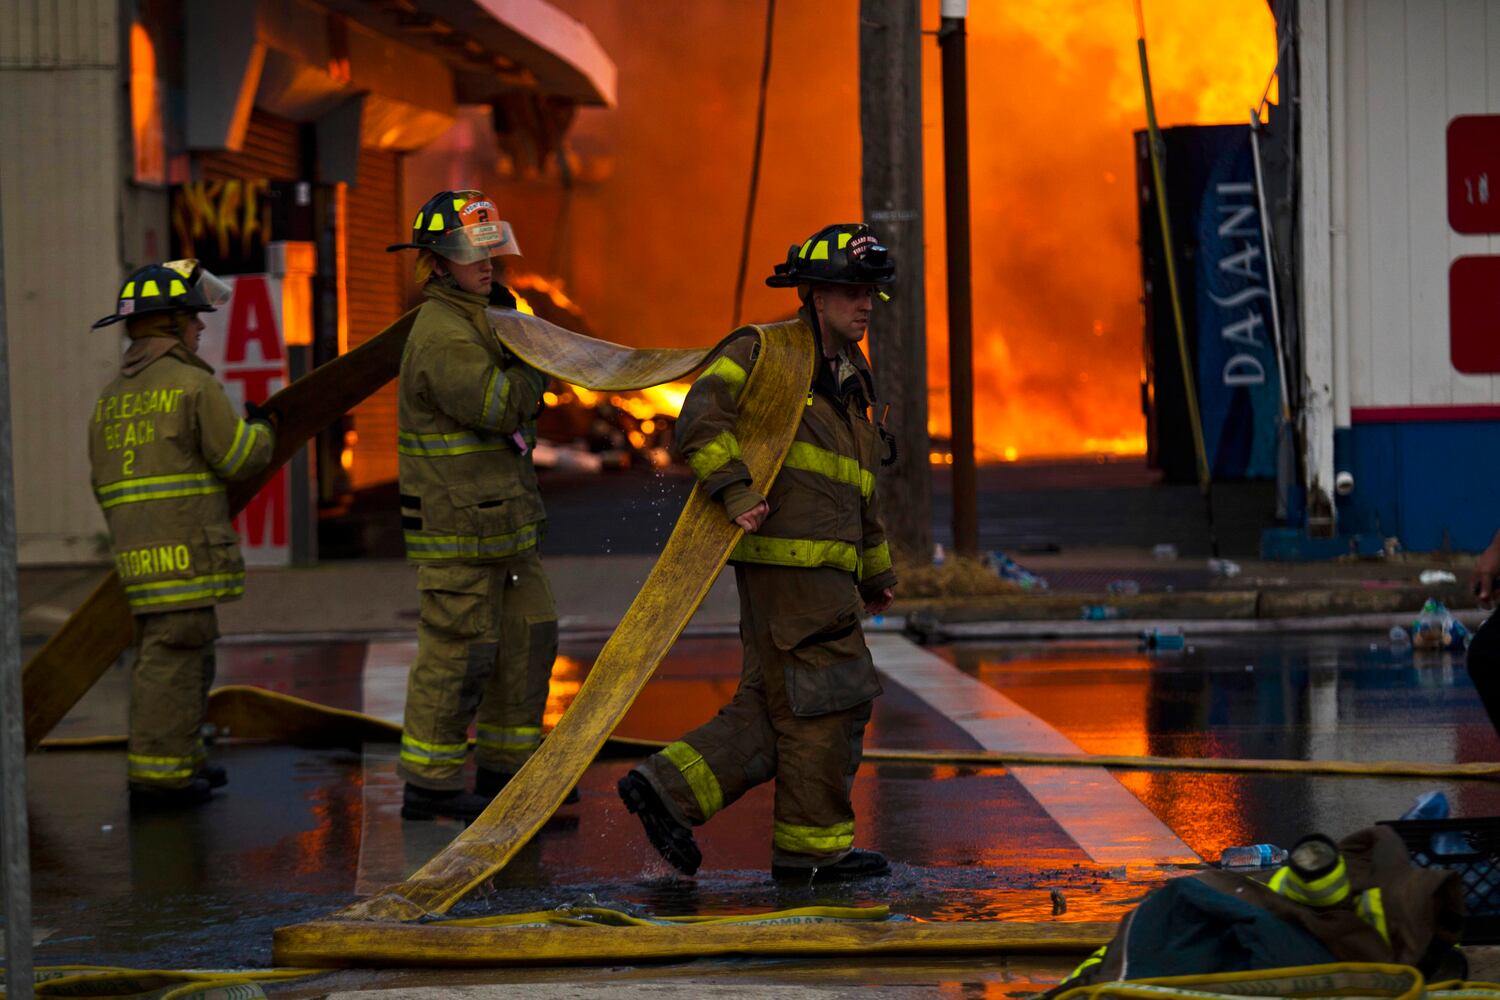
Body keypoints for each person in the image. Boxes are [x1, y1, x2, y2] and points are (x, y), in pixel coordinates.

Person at [618, 223, 899, 882]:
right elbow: (700, 418)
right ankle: (812, 854)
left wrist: (875, 569)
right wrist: (735, 489)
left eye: (870, 293)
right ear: (815, 294)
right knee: (827, 702)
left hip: (826, 572)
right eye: (851, 291)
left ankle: (668, 789)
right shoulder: (765, 350)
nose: (865, 304)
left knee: (781, 708)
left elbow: (857, 485)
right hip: (789, 569)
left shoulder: (851, 377)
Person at [386, 189, 564, 821]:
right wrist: (537, 360)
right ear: (437, 263)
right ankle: (430, 786)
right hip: (458, 529)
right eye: (471, 253)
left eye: (491, 250)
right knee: (458, 654)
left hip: (505, 523)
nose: (487, 263)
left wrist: (518, 336)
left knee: (527, 640)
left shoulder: (487, 318)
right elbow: (499, 405)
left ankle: (505, 775)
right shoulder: (442, 335)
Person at [89, 260, 276, 807]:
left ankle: (181, 759)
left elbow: (103, 483)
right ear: (168, 323)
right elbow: (237, 458)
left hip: (140, 556)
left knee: (174, 656)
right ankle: (159, 780)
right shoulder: (192, 385)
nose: (199, 328)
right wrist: (265, 430)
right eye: (193, 319)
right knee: (176, 662)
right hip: (187, 551)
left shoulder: (110, 399)